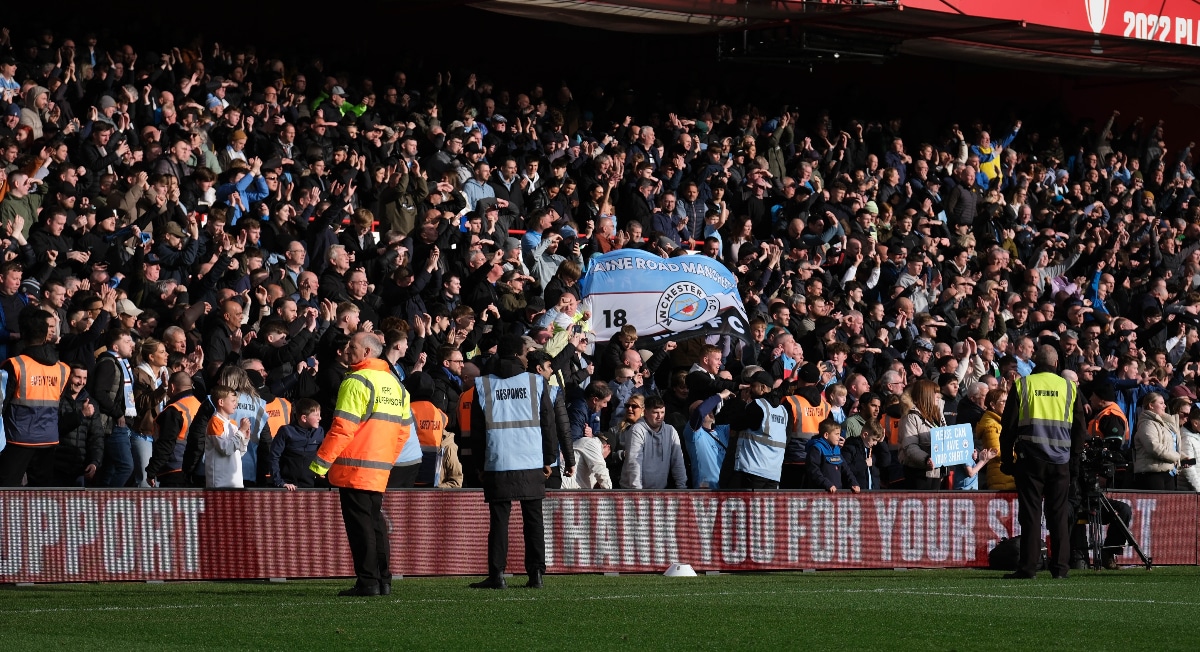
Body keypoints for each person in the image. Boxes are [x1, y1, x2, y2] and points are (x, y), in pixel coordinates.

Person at [310, 332, 413, 597]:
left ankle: (368, 582)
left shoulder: (356, 381)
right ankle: (383, 580)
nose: (346, 349)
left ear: (367, 352)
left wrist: (319, 465)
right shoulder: (396, 384)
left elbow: (342, 429)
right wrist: (386, 459)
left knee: (361, 527)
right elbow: (403, 432)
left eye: (352, 346)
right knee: (375, 524)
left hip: (353, 467)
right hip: (379, 468)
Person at [469, 335, 558, 590]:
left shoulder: (483, 384)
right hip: (531, 459)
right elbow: (547, 424)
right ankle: (536, 574)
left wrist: (480, 464)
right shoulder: (537, 382)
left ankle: (497, 575)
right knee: (534, 519)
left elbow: (476, 431)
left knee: (499, 521)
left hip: (498, 460)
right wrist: (549, 458)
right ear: (522, 355)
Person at [999, 345, 1088, 580]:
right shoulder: (1069, 388)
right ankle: (1060, 568)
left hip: (1030, 460)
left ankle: (1028, 568)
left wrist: (1007, 460)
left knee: (1031, 515)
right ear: (1057, 364)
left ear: (1035, 362)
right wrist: (1075, 462)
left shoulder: (1023, 385)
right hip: (1061, 461)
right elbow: (1080, 429)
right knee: (1058, 514)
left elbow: (1007, 428)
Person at [724, 370, 791, 489]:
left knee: (746, 506)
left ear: (763, 387)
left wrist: (741, 402)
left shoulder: (758, 405)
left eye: (753, 386)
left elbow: (736, 424)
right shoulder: (783, 410)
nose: (750, 390)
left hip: (752, 469)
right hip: (773, 473)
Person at [91, 328, 138, 488]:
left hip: (120, 423)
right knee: (126, 466)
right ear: (115, 347)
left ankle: (102, 501)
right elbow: (100, 392)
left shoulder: (123, 364)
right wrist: (118, 413)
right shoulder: (108, 363)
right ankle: (112, 499)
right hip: (113, 424)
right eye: (126, 341)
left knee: (110, 469)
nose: (132, 345)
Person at [146, 372, 201, 487]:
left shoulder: (174, 410)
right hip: (197, 469)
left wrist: (152, 470)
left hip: (174, 470)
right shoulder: (199, 405)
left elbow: (166, 443)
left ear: (172, 387)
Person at [621, 395, 688, 490]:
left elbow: (678, 462)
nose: (659, 416)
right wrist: (637, 492)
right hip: (634, 491)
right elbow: (634, 462)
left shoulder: (671, 431)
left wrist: (682, 488)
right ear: (646, 413)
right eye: (655, 412)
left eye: (662, 412)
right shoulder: (637, 430)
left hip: (659, 491)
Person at [898, 379, 946, 490]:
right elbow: (910, 446)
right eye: (935, 393)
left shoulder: (938, 415)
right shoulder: (911, 417)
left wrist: (966, 453)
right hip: (918, 473)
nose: (939, 396)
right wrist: (926, 459)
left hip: (936, 472)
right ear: (926, 395)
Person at [269, 398, 325, 490]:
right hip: (288, 486)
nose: (320, 418)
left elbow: (324, 454)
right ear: (304, 418)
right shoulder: (286, 431)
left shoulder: (319, 432)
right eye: (316, 415)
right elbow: (274, 457)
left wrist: (321, 473)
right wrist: (280, 482)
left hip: (310, 486)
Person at [1132, 392, 1183, 490]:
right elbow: (1153, 446)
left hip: (1167, 472)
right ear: (1151, 405)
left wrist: (1183, 457)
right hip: (1151, 475)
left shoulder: (1164, 424)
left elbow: (1169, 446)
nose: (1164, 406)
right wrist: (1177, 457)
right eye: (1161, 403)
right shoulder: (1147, 424)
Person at [206, 385, 251, 488]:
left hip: (236, 482)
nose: (236, 404)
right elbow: (226, 449)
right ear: (221, 402)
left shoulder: (233, 423)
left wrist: (245, 439)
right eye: (233, 401)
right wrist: (241, 431)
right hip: (220, 483)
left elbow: (240, 453)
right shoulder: (215, 422)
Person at [806, 419, 861, 492]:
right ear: (826, 435)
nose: (839, 437)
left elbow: (846, 469)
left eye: (839, 434)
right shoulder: (816, 449)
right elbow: (813, 471)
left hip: (837, 491)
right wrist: (827, 484)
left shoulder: (836, 449)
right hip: (821, 492)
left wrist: (853, 482)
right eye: (836, 434)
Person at [975, 389, 1012, 490]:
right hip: (1001, 476)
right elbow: (996, 451)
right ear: (992, 405)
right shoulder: (991, 425)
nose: (1007, 404)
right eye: (1003, 402)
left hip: (1006, 475)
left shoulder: (1000, 422)